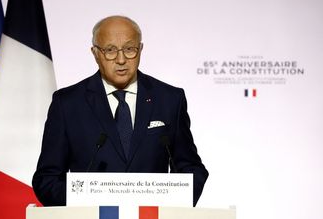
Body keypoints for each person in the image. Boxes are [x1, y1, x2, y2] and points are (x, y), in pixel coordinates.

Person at [32, 15, 208, 206]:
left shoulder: (169, 99)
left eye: (129, 49)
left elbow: (191, 168)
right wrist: (82, 204)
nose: (121, 59)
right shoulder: (67, 103)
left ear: (140, 50)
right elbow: (47, 178)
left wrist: (172, 206)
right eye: (110, 50)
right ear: (95, 53)